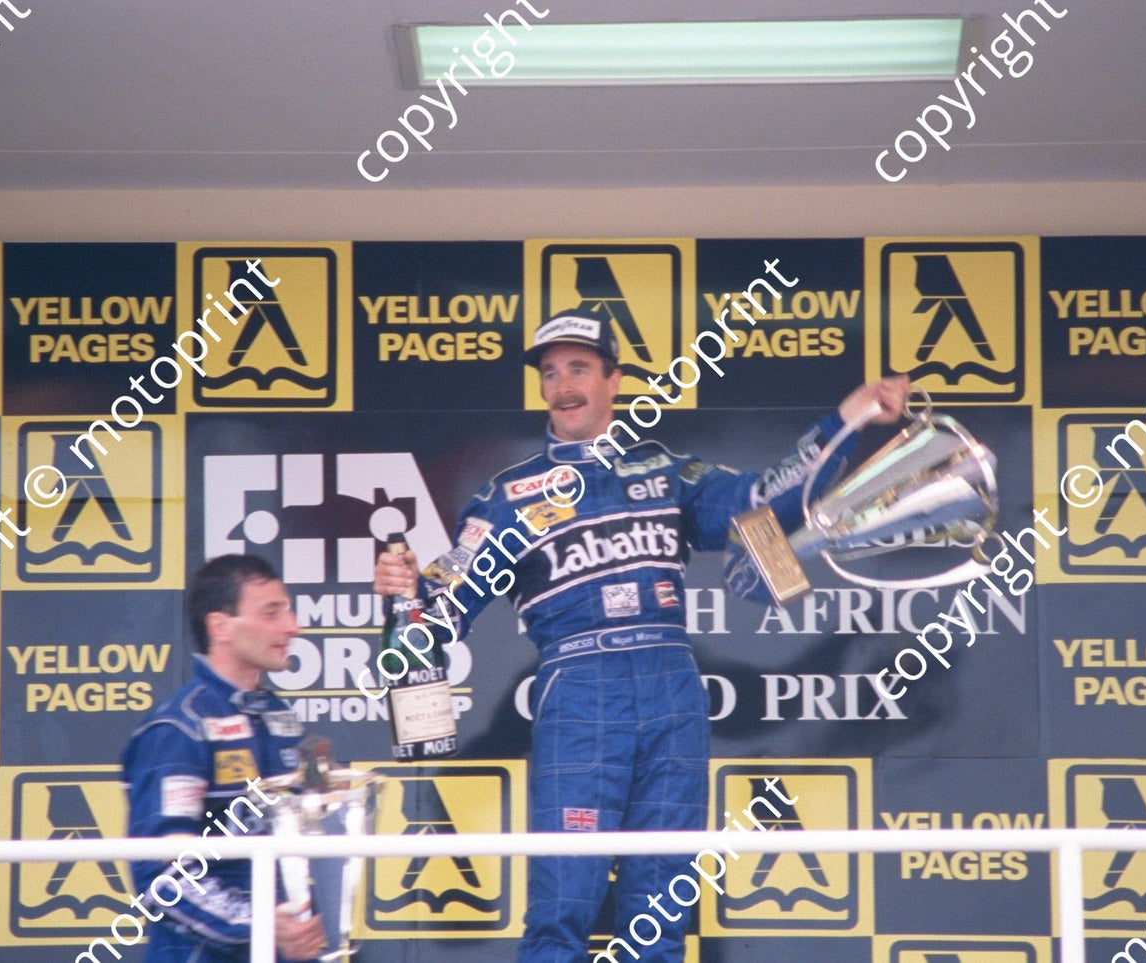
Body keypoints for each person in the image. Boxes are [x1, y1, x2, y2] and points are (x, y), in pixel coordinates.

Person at [372, 311, 908, 963]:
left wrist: (846, 421)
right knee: (560, 911)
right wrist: (405, 597)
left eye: (577, 369)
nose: (561, 386)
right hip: (579, 696)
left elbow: (766, 500)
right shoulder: (507, 498)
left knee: (658, 915)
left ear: (613, 380)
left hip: (672, 695)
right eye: (549, 373)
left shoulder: (666, 472)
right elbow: (439, 619)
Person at [122, 553, 327, 962]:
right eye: (272, 613)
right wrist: (260, 925)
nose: (293, 627)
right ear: (220, 626)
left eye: (288, 611)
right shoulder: (180, 728)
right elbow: (163, 873)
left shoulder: (276, 714)